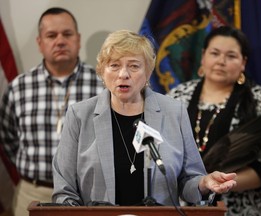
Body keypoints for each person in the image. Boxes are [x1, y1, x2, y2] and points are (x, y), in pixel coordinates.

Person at [52, 29, 236, 207]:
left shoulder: (174, 112)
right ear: (102, 71)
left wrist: (203, 183)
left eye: (133, 66)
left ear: (147, 73)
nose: (123, 74)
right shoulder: (79, 115)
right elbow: (64, 190)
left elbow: (189, 179)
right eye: (114, 65)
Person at [167, 26, 261, 215]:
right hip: (184, 208)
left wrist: (221, 184)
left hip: (245, 209)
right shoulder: (177, 96)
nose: (221, 61)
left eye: (231, 56)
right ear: (203, 56)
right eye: (214, 53)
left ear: (243, 63)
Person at [0, 7, 104, 216]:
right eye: (51, 35)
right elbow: (7, 137)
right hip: (33, 193)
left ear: (78, 39)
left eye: (67, 34)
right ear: (40, 43)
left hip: (88, 195)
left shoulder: (102, 87)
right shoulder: (19, 87)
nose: (60, 41)